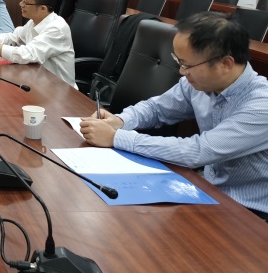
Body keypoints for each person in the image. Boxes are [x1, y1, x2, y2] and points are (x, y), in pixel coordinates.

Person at [80, 12, 268, 221]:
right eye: (178, 61)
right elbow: (157, 108)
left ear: (226, 63)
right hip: (207, 190)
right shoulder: (198, 84)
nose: (181, 71)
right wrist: (121, 120)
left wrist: (116, 137)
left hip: (249, 213)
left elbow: (198, 151)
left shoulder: (261, 106)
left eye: (187, 65)